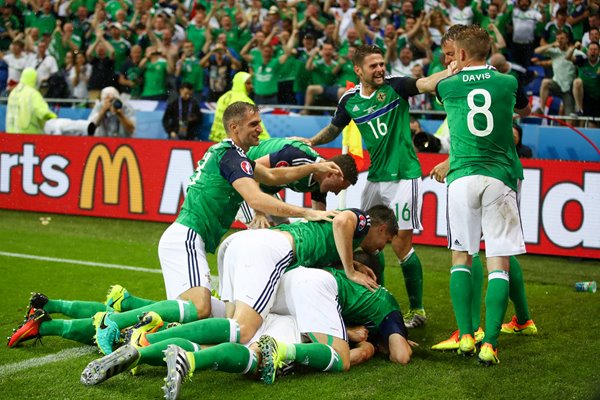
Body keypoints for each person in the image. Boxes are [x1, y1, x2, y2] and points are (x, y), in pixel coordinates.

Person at [298, 44, 455, 329]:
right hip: (376, 178)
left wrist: (452, 70)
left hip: (404, 175)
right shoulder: (349, 100)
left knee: (401, 244)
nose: (380, 69)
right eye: (374, 66)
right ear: (359, 70)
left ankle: (417, 309)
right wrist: (312, 142)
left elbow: (427, 83)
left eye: (382, 64)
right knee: (365, 239)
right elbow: (334, 128)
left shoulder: (396, 87)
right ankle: (376, 296)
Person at [158, 101, 342, 326]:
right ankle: (122, 314)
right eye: (254, 124)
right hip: (187, 238)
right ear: (235, 127)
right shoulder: (230, 156)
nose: (260, 130)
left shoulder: (233, 155)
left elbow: (273, 177)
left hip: (187, 238)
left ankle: (120, 312)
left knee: (219, 312)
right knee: (200, 308)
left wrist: (314, 167)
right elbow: (256, 199)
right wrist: (307, 213)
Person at [429, 25, 538, 353]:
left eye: (451, 54)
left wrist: (451, 71)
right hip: (501, 174)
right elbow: (523, 110)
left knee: (462, 256)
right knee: (500, 258)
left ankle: (465, 333)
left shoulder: (447, 85)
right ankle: (490, 340)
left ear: (460, 55)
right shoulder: (507, 81)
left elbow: (436, 87)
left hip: (463, 175)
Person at [239, 138, 359, 227]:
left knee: (285, 229)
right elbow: (249, 169)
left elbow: (319, 215)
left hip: (264, 188)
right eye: (339, 187)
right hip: (241, 178)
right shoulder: (297, 154)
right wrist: (259, 211)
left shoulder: (320, 183)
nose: (337, 193)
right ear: (332, 174)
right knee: (261, 229)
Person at [209, 71, 270, 143]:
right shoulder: (245, 101)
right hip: (236, 143)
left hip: (220, 140)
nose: (251, 86)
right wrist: (267, 140)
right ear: (240, 83)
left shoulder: (224, 97)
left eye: (251, 83)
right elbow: (253, 123)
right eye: (248, 83)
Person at [533, 30, 578, 116]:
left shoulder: (574, 52)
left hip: (568, 89)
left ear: (567, 39)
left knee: (570, 118)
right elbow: (536, 51)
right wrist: (552, 44)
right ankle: (542, 108)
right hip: (556, 85)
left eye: (562, 38)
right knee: (545, 82)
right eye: (557, 39)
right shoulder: (554, 51)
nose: (559, 40)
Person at [5, 67, 56, 134]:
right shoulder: (32, 93)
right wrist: (52, 117)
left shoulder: (13, 92)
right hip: (28, 134)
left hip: (11, 133)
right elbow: (41, 111)